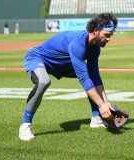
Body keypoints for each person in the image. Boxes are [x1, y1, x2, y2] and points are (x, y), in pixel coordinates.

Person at [19, 13, 118, 141]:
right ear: (96, 31)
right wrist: (101, 105)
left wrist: (106, 103)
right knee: (44, 81)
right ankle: (25, 125)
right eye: (107, 35)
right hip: (38, 59)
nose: (109, 39)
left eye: (110, 36)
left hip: (63, 66)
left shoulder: (95, 48)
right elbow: (83, 78)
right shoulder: (78, 43)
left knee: (91, 78)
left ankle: (96, 119)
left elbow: (95, 77)